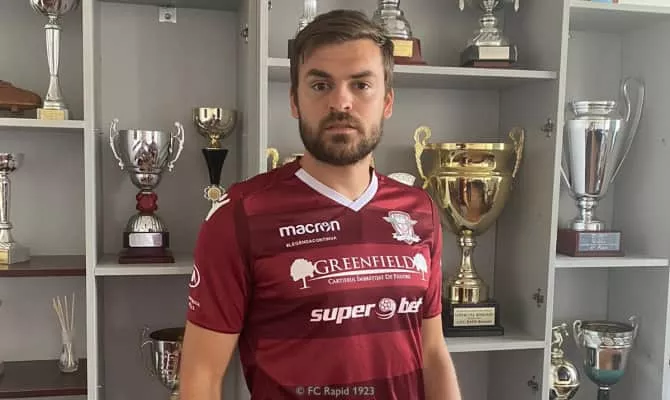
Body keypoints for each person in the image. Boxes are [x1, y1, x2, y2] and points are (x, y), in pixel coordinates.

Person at [179, 8, 462, 400]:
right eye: (320, 85)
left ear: (387, 101)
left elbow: (432, 354)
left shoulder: (419, 211)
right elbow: (201, 377)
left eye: (361, 85)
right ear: (294, 100)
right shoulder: (239, 215)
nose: (340, 102)